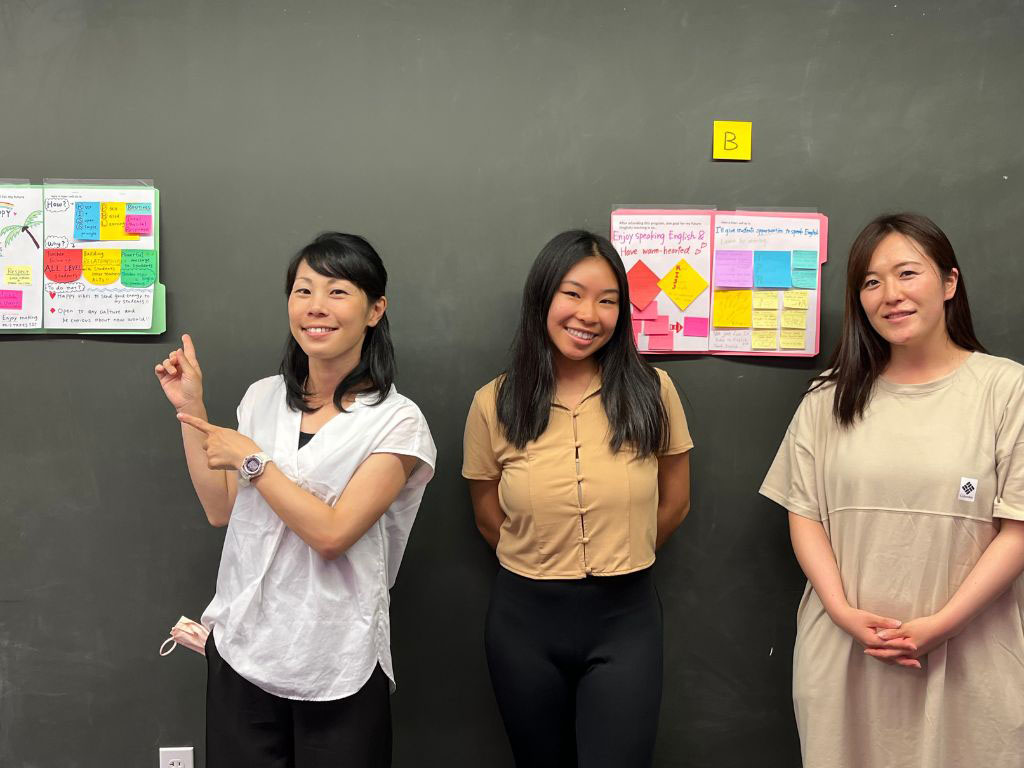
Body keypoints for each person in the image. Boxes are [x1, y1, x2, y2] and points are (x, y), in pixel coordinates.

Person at [155, 232, 436, 768]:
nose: (315, 308)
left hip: (339, 658)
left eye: (337, 292)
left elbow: (333, 535)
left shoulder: (398, 422)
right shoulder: (262, 399)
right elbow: (220, 508)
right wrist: (192, 410)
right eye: (303, 290)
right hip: (244, 649)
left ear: (375, 309)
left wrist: (254, 463)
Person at [760, 212, 1024, 768]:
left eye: (908, 273)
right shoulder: (828, 398)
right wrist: (840, 610)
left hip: (971, 654)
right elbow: (803, 513)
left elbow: (1018, 529)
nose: (890, 295)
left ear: (949, 283)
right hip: (845, 653)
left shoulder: (1006, 389)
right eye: (871, 282)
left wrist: (940, 626)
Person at [462, 229, 693, 767]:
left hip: (625, 618)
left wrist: (622, 550)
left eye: (608, 300)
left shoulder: (653, 391)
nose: (589, 313)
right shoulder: (493, 402)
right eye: (573, 293)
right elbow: (486, 514)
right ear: (542, 297)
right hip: (524, 621)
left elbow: (676, 502)